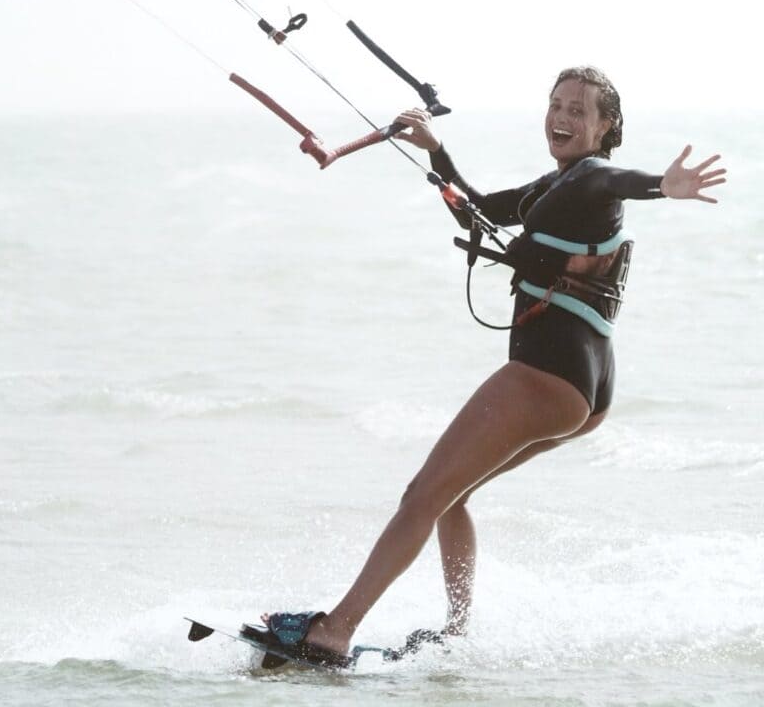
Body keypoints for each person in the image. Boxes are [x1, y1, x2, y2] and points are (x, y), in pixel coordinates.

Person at [255, 66, 726, 667]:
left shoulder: (594, 178)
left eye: (579, 110)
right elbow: (477, 210)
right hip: (585, 388)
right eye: (556, 104)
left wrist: (665, 184)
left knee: (421, 494)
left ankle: (335, 630)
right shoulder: (557, 184)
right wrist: (437, 151)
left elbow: (620, 182)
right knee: (453, 497)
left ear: (607, 126)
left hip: (548, 375)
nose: (561, 116)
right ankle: (456, 635)